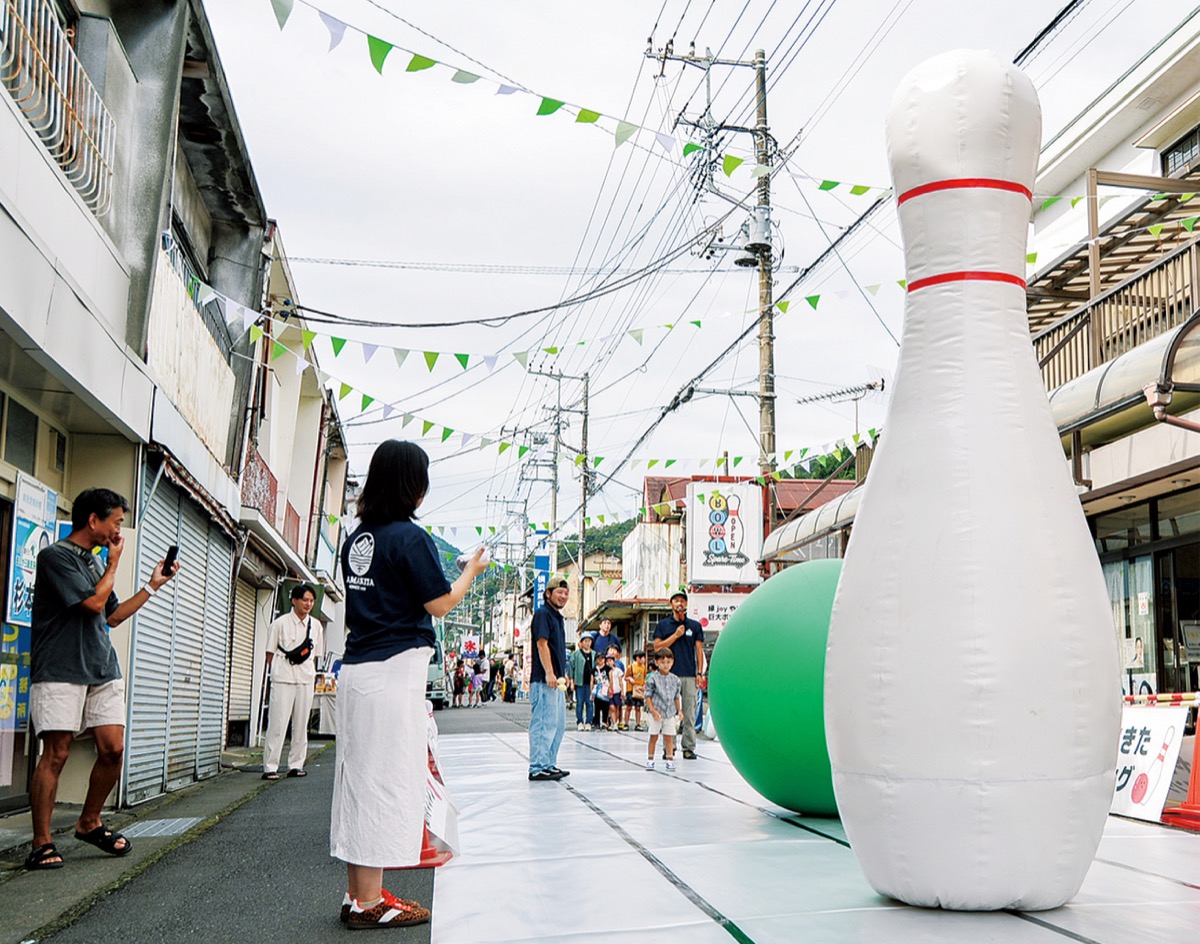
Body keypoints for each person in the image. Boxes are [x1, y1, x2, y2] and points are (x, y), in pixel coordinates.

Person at [331, 440, 487, 929]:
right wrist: (470, 572)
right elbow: (439, 603)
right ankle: (371, 903)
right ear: (412, 486)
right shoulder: (410, 539)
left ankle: (360, 895)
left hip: (357, 671)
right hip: (394, 672)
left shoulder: (356, 539)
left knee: (359, 781)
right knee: (385, 781)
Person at [25, 487, 179, 870]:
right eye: (116, 521)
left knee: (113, 748)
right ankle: (41, 841)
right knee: (56, 754)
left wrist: (152, 585)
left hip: (101, 668)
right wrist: (112, 565)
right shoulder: (55, 557)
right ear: (93, 520)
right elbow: (92, 603)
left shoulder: (94, 562)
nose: (118, 530)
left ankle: (89, 822)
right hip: (61, 668)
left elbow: (111, 615)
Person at [261, 583, 323, 781]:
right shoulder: (279, 623)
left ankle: (296, 764)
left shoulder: (316, 626)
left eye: (311, 601)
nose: (308, 604)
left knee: (301, 724)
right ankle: (270, 766)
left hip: (305, 679)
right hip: (283, 679)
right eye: (305, 600)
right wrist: (279, 671)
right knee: (278, 723)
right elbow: (269, 653)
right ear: (294, 600)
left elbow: (316, 655)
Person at [653, 591, 705, 759]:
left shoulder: (695, 626)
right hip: (669, 676)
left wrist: (699, 673)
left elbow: (699, 650)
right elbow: (657, 647)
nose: (679, 603)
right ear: (671, 605)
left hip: (689, 674)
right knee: (668, 713)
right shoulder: (663, 625)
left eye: (682, 600)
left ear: (686, 604)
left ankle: (689, 748)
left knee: (689, 713)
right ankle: (669, 748)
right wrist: (675, 635)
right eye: (676, 601)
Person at [528, 576, 570, 781]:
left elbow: (558, 650)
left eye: (566, 593)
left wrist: (563, 674)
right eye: (559, 592)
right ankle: (537, 766)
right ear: (548, 593)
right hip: (545, 680)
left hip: (557, 681)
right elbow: (542, 644)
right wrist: (550, 672)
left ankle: (549, 763)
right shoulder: (543, 614)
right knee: (544, 723)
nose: (563, 596)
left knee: (557, 724)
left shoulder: (557, 617)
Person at [644, 649, 683, 772]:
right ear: (657, 663)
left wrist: (679, 710)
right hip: (656, 712)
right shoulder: (653, 679)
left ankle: (670, 760)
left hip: (669, 712)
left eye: (668, 662)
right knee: (654, 736)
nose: (666, 665)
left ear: (672, 662)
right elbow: (648, 696)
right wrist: (653, 710)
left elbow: (676, 697)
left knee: (669, 737)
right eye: (663, 662)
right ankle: (650, 759)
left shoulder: (676, 679)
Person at [570, 632, 595, 730]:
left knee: (590, 703)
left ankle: (589, 722)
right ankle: (579, 721)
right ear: (581, 643)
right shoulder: (576, 654)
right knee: (579, 703)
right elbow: (571, 668)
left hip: (591, 683)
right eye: (586, 641)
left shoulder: (594, 654)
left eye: (589, 641)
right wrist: (572, 682)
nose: (588, 643)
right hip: (579, 682)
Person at [624, 650, 648, 731]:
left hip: (639, 690)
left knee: (638, 707)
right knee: (629, 707)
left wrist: (644, 685)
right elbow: (625, 677)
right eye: (642, 658)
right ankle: (626, 723)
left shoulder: (644, 667)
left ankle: (638, 724)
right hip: (631, 689)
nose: (643, 659)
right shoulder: (631, 667)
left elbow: (644, 677)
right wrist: (630, 679)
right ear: (637, 658)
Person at [592, 655, 611, 729]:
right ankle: (596, 722)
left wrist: (610, 688)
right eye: (598, 658)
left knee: (605, 707)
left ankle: (604, 722)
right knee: (597, 707)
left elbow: (611, 678)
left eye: (602, 658)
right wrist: (592, 691)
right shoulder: (594, 669)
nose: (600, 660)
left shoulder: (608, 669)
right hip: (597, 689)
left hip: (605, 689)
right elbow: (592, 680)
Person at [608, 651, 625, 730]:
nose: (609, 662)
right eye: (607, 661)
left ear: (614, 661)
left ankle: (616, 722)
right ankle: (613, 722)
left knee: (617, 707)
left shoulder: (618, 670)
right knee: (611, 707)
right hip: (610, 692)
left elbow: (621, 681)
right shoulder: (608, 672)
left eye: (610, 661)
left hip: (617, 691)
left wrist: (622, 691)